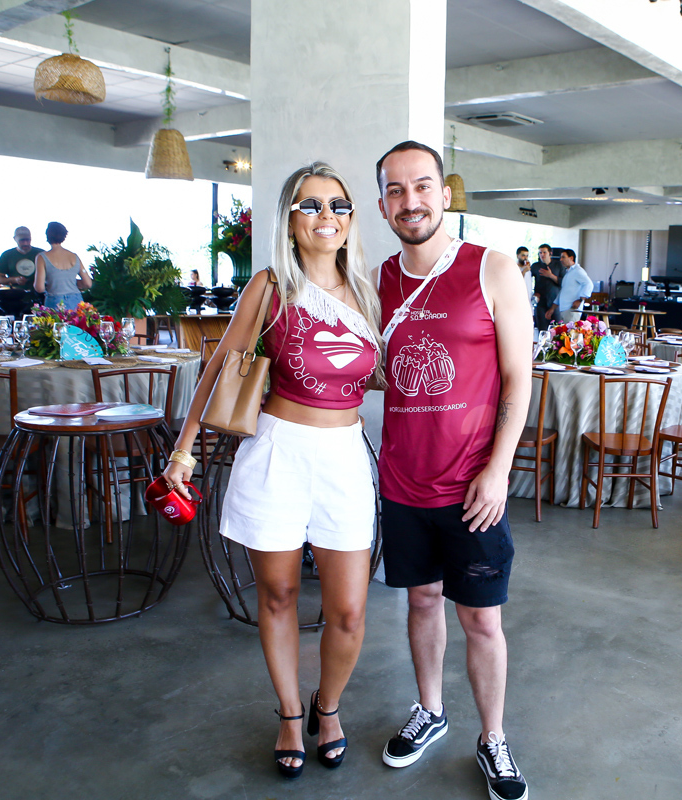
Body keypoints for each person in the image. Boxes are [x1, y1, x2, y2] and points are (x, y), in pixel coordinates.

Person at [161, 162, 381, 780]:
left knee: (348, 612)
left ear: (350, 218)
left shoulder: (368, 293)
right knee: (279, 595)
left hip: (344, 458)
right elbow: (220, 368)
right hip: (279, 452)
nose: (326, 217)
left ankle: (327, 705)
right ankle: (289, 713)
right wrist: (183, 449)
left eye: (338, 205)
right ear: (289, 219)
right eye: (311, 205)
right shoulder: (270, 286)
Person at [374, 141, 532, 800]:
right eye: (396, 189)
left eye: (422, 186)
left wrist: (499, 470)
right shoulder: (378, 281)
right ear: (382, 203)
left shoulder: (492, 268)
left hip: (472, 488)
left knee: (482, 621)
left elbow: (519, 379)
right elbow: (375, 373)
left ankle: (493, 737)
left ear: (444, 194)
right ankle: (431, 710)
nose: (410, 201)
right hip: (402, 481)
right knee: (420, 601)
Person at [34, 222, 91, 309]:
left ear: (47, 235)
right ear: (64, 236)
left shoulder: (42, 257)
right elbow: (88, 283)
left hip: (55, 300)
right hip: (76, 300)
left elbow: (39, 288)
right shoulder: (74, 256)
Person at [531, 243, 564, 326]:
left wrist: (551, 276)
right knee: (541, 329)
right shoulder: (535, 266)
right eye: (540, 253)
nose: (542, 254)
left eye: (544, 252)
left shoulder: (558, 265)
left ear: (550, 253)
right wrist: (533, 294)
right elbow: (526, 281)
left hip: (555, 303)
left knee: (557, 328)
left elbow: (564, 282)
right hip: (540, 303)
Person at [556, 248, 593, 323]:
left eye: (563, 257)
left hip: (572, 310)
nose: (561, 260)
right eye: (561, 257)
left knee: (571, 330)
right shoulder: (568, 272)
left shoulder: (577, 271)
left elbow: (589, 284)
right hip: (565, 310)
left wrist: (580, 300)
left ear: (571, 258)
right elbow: (564, 291)